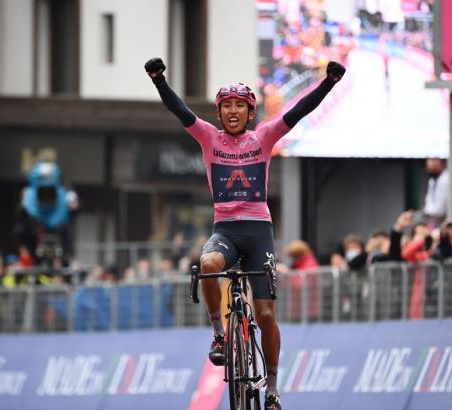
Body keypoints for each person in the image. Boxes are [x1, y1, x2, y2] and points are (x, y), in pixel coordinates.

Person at [145, 56, 346, 409]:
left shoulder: (264, 137)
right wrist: (159, 79)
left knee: (266, 315)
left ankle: (271, 387)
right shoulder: (208, 137)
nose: (233, 111)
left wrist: (328, 83)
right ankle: (220, 336)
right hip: (225, 231)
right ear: (219, 113)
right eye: (227, 106)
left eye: (240, 106)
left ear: (250, 112)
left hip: (258, 234)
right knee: (208, 264)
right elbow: (180, 111)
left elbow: (299, 110)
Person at [422, 158, 449, 225]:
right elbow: (428, 202)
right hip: (434, 218)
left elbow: (439, 209)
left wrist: (427, 211)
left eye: (432, 160)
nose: (428, 164)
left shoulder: (446, 178)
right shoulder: (433, 180)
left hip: (445, 218)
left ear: (440, 162)